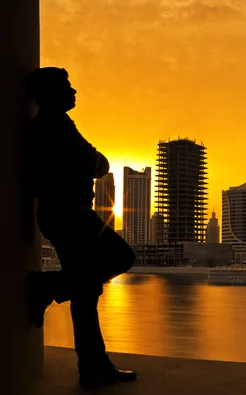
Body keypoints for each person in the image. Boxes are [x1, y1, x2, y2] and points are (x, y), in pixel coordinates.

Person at [27, 67, 137, 389]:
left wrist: (93, 162)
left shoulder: (53, 126)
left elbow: (95, 162)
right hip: (69, 215)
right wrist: (92, 162)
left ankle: (93, 368)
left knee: (86, 294)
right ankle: (48, 287)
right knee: (121, 257)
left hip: (62, 215)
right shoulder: (54, 127)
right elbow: (96, 162)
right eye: (67, 87)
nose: (74, 92)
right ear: (48, 94)